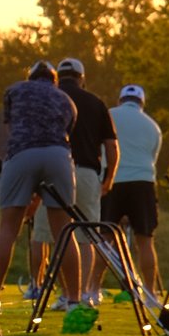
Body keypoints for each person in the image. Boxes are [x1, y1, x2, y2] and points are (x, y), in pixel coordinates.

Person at [0, 61, 79, 305]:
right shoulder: (66, 101)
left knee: (7, 228)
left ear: (30, 76)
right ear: (54, 80)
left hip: (22, 153)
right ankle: (75, 302)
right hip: (58, 156)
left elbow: (12, 130)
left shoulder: (14, 91)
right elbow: (68, 131)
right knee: (64, 232)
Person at [51, 57, 119, 308]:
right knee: (87, 236)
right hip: (87, 172)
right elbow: (112, 146)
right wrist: (109, 178)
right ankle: (84, 294)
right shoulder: (96, 103)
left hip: (57, 169)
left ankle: (65, 294)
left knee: (55, 236)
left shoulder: (51, 98)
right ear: (81, 78)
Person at [104, 83, 164, 303]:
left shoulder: (109, 115)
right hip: (143, 183)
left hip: (114, 181)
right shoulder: (153, 126)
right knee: (145, 240)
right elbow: (152, 159)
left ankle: (90, 289)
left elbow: (104, 148)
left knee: (104, 238)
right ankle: (150, 293)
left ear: (121, 100)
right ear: (142, 102)